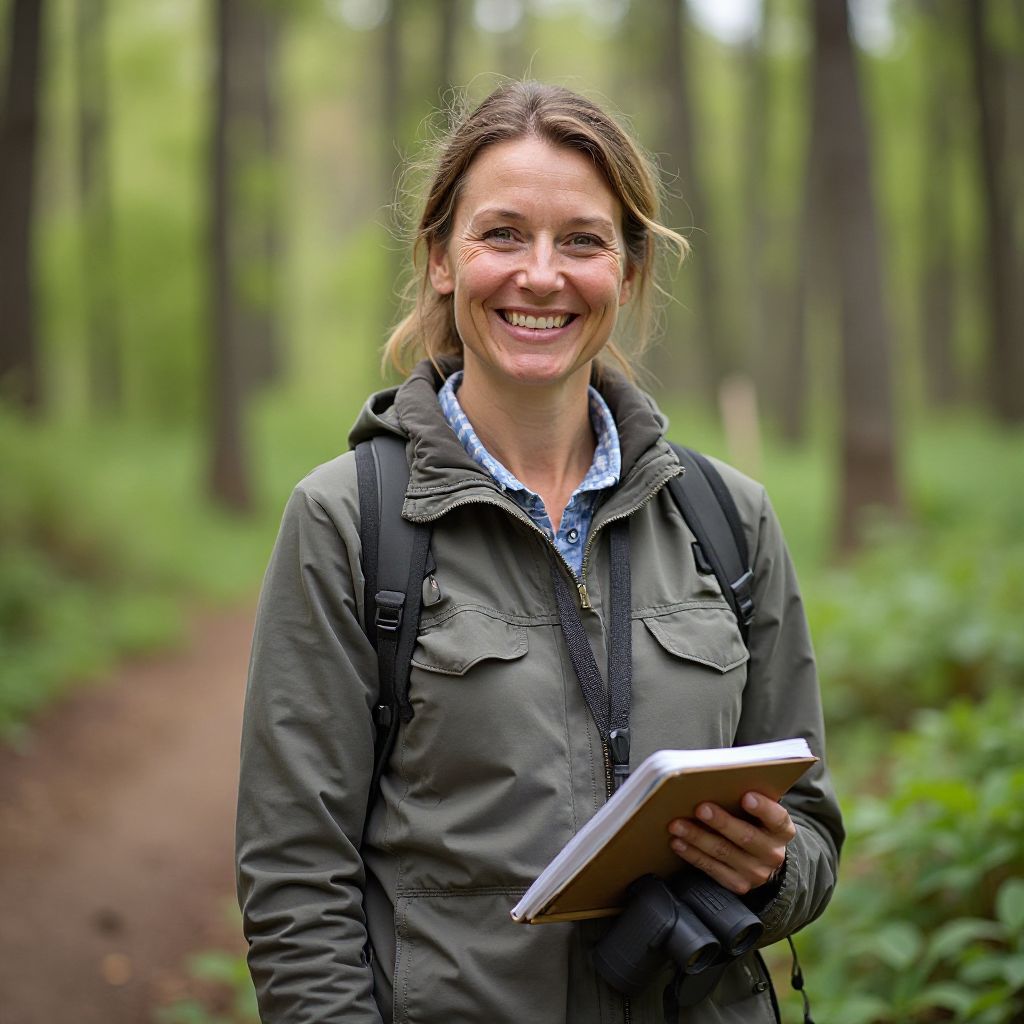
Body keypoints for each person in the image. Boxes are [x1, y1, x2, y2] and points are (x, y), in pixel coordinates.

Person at [235, 80, 843, 1024]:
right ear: (441, 259)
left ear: (630, 271)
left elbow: (812, 830)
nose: (542, 274)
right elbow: (294, 882)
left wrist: (769, 873)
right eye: (504, 234)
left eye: (584, 240)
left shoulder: (730, 518)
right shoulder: (348, 521)